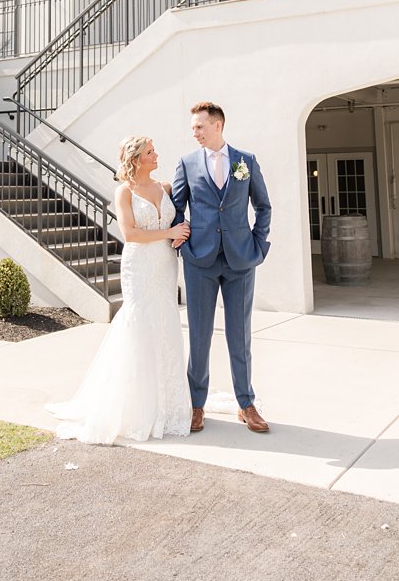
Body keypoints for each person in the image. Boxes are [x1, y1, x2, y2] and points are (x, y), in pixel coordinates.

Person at [48, 136, 193, 444]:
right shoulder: (124, 192)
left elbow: (182, 218)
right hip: (139, 265)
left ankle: (168, 404)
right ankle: (135, 405)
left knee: (166, 324)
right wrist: (170, 231)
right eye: (151, 152)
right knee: (139, 325)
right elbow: (130, 234)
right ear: (137, 159)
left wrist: (184, 233)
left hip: (165, 264)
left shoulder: (166, 188)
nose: (157, 155)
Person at [171, 100, 273, 434]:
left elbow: (263, 206)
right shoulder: (186, 163)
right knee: (199, 336)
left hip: (241, 260)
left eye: (199, 126)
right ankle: (196, 404)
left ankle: (246, 404)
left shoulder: (246, 161)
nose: (195, 133)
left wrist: (258, 244)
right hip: (199, 260)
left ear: (218, 125)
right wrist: (185, 243)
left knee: (239, 336)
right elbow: (176, 210)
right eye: (192, 128)